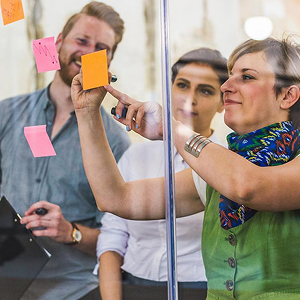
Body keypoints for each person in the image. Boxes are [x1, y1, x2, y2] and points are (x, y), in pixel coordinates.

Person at [71, 36, 300, 299]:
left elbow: (247, 186)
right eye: (229, 76)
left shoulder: (232, 169)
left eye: (246, 77)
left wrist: (170, 127)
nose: (226, 86)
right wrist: (87, 113)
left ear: (287, 95)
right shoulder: (218, 168)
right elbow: (115, 198)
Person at [0, 2, 130, 300]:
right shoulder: (8, 113)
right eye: (81, 40)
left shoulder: (114, 140)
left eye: (100, 48)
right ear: (58, 42)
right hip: (6, 281)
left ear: (109, 60)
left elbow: (119, 238)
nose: (88, 53)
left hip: (73, 290)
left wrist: (71, 232)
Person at [96, 48, 227, 300]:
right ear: (169, 89)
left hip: (202, 288)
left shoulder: (228, 162)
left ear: (222, 102)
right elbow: (113, 235)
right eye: (182, 85)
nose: (190, 98)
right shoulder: (136, 157)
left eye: (205, 90)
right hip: (132, 285)